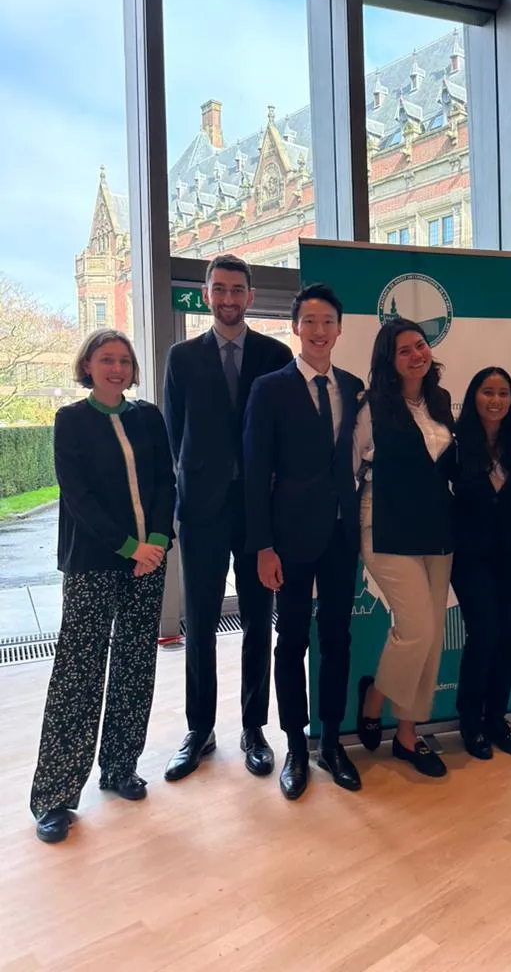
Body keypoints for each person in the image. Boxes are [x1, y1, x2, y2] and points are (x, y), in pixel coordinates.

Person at [30, 330, 175, 844]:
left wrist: (154, 543)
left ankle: (120, 767)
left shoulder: (148, 417)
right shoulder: (70, 420)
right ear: (87, 365)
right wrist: (129, 548)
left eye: (124, 360)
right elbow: (78, 497)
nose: (117, 367)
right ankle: (54, 795)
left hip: (149, 561)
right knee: (79, 673)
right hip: (95, 562)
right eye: (106, 359)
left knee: (136, 664)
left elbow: (165, 482)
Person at [163, 254, 292, 783]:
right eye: (220, 289)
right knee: (200, 622)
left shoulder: (275, 354)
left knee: (260, 618)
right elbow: (175, 434)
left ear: (251, 296)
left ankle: (254, 728)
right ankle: (200, 729)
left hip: (260, 512)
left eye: (238, 289)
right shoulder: (182, 357)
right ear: (207, 294)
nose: (229, 298)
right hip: (203, 511)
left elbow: (283, 437)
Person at [243, 284, 364, 801]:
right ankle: (296, 744)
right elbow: (254, 472)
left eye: (328, 321)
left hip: (342, 536)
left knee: (338, 640)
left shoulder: (355, 387)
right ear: (296, 328)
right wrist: (262, 546)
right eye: (309, 321)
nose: (319, 331)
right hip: (289, 539)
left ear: (339, 329)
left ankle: (332, 740)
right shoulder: (270, 389)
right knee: (291, 641)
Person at [355, 318, 455, 778]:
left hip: (436, 529)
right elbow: (352, 467)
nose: (417, 355)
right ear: (388, 361)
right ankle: (375, 697)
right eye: (404, 350)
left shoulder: (439, 402)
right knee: (416, 628)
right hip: (386, 527)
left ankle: (409, 735)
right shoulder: (370, 406)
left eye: (420, 346)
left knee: (432, 636)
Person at [451, 368, 511, 760]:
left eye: (503, 392)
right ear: (474, 396)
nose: (496, 399)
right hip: (469, 554)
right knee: (483, 634)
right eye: (488, 391)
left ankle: (497, 720)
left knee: (506, 639)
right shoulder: (455, 441)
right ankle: (470, 721)